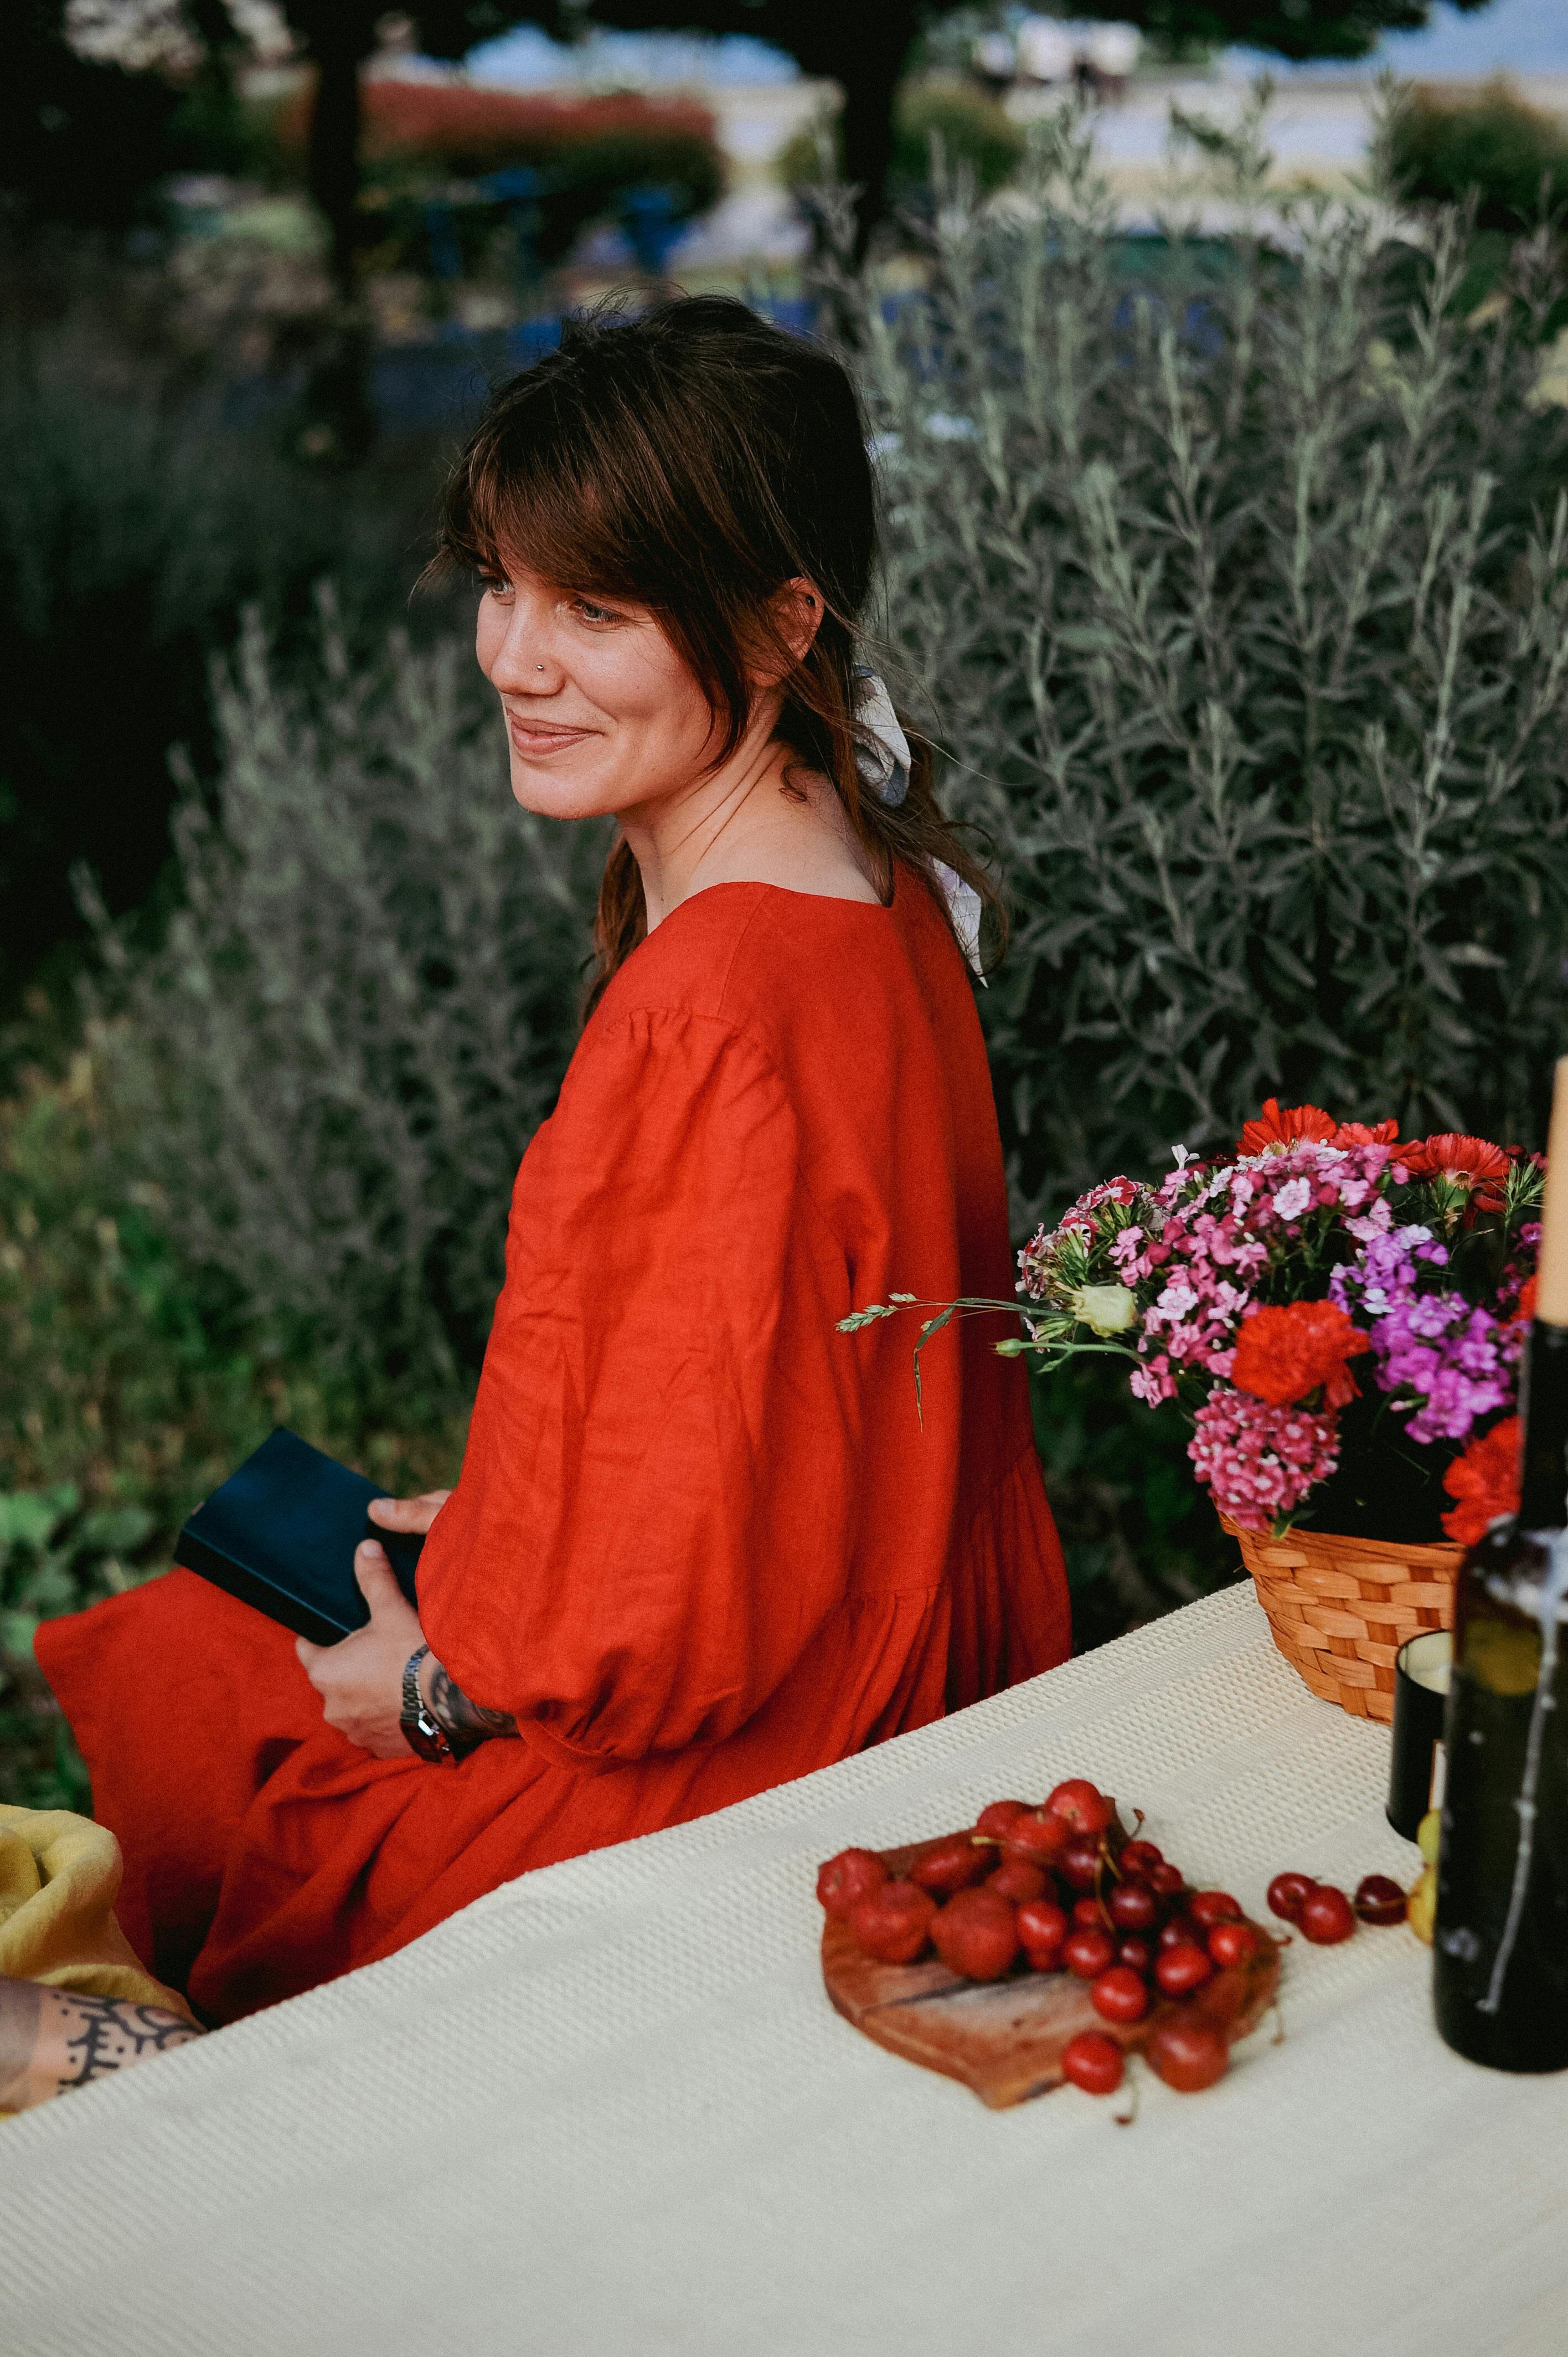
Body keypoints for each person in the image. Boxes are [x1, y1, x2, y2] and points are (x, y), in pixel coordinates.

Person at [36, 297, 1071, 2027]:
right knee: (252, 1601)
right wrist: (516, 1524)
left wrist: (431, 1694)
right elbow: (770, 1399)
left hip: (749, 1767)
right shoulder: (885, 893)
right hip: (904, 1651)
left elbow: (654, 1626)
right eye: (504, 584)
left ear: (779, 621)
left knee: (183, 1667)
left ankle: (141, 2079)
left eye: (595, 609)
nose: (516, 657)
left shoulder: (709, 1018)